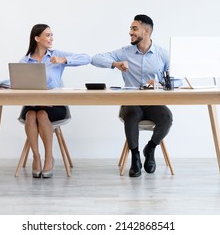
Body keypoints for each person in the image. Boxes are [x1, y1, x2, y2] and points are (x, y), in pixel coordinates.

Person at [91, 14, 173, 177]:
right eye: (131, 28)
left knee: (166, 117)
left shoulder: (163, 54)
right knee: (132, 113)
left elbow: (176, 80)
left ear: (147, 31)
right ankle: (135, 157)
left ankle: (150, 148)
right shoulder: (125, 52)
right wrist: (115, 64)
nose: (130, 32)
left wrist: (160, 84)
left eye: (134, 28)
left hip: (153, 102)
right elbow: (95, 59)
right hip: (130, 102)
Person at [18, 24, 91, 178]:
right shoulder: (25, 61)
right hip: (32, 104)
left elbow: (86, 58)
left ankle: (49, 158)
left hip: (55, 105)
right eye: (47, 35)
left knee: (42, 114)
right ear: (37, 38)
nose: (51, 38)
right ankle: (36, 157)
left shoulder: (56, 54)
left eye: (52, 35)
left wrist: (63, 60)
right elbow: (19, 84)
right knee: (31, 115)